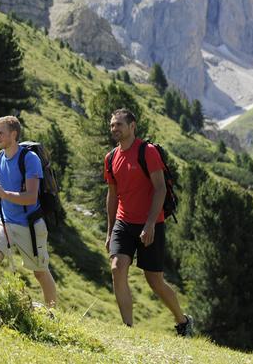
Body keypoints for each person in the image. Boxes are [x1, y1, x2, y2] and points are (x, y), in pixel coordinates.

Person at [104, 108, 193, 336]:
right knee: (117, 268)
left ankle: (182, 321)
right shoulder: (111, 157)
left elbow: (160, 188)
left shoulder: (147, 151)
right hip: (124, 222)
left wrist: (151, 223)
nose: (115, 129)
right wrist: (109, 230)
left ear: (132, 126)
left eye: (119, 125)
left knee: (155, 281)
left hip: (151, 223)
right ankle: (128, 328)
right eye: (112, 125)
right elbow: (112, 195)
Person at [0, 116, 57, 306]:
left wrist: (3, 194)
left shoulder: (29, 159)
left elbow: (31, 197)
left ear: (13, 134)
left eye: (0, 132)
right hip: (5, 221)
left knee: (40, 272)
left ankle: (53, 313)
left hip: (30, 224)